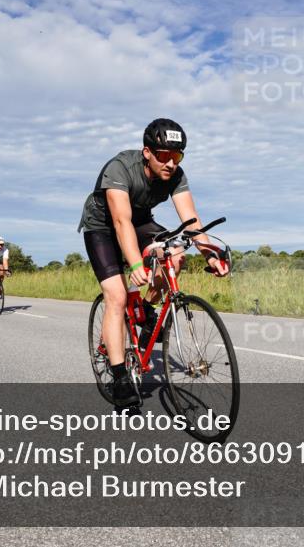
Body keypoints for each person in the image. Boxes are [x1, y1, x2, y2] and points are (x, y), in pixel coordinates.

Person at [78, 119, 229, 407]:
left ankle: (147, 310)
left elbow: (191, 220)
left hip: (140, 222)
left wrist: (210, 252)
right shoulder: (120, 168)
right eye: (164, 156)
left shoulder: (176, 175)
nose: (171, 163)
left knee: (176, 255)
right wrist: (136, 265)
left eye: (177, 156)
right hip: (103, 226)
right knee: (118, 296)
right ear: (146, 152)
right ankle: (120, 376)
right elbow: (121, 222)